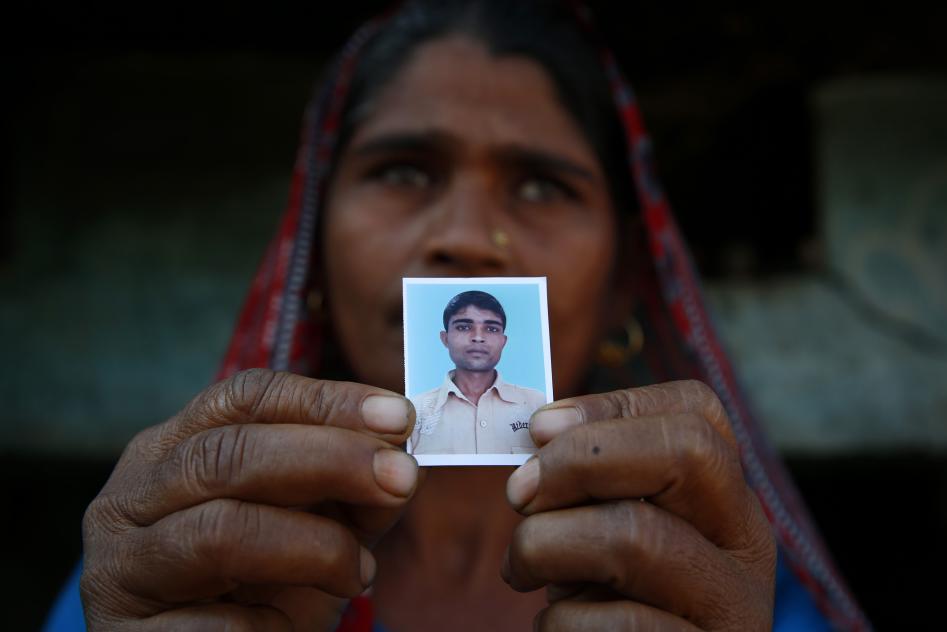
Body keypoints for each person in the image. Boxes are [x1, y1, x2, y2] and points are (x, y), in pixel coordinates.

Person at [46, 1, 872, 630]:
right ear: (316, 251)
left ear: (624, 281)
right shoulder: (181, 564)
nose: (469, 238)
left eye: (543, 185)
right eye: (403, 170)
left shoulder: (728, 587)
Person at [410, 290, 546, 455]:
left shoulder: (538, 405)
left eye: (491, 329)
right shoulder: (416, 412)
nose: (478, 337)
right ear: (445, 339)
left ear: (503, 342)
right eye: (464, 327)